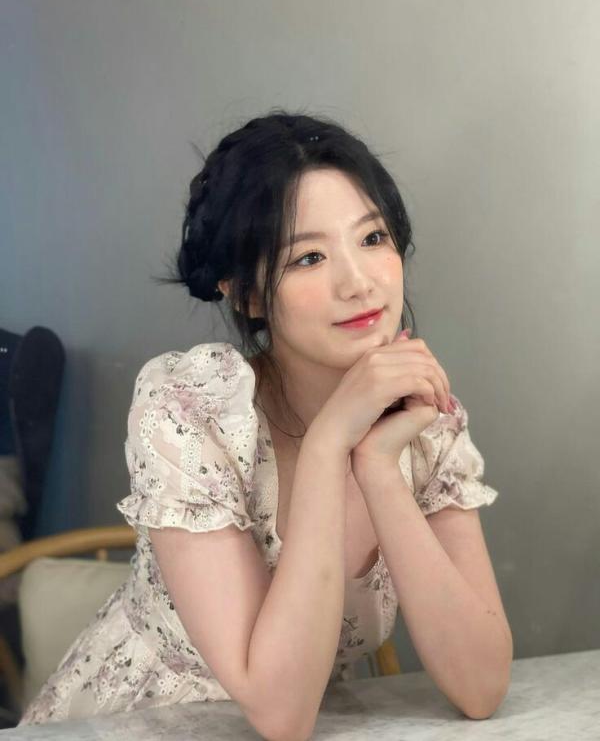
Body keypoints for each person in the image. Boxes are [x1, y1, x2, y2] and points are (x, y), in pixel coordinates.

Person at [18, 109, 511, 734]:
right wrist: (329, 442)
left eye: (372, 238)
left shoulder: (422, 417)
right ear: (247, 294)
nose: (359, 283)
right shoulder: (190, 409)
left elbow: (481, 687)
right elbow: (281, 714)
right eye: (308, 257)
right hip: (140, 723)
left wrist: (378, 466)